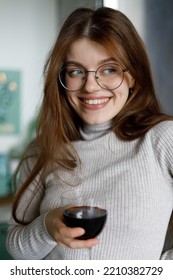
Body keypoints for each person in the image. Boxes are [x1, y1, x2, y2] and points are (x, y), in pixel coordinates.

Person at [6, 7, 173, 260]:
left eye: (109, 70)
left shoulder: (162, 140)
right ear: (62, 78)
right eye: (76, 71)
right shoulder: (42, 150)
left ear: (132, 77)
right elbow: (16, 249)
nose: (91, 86)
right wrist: (47, 226)